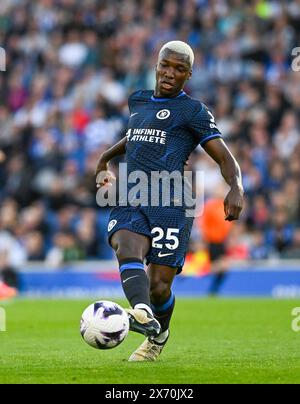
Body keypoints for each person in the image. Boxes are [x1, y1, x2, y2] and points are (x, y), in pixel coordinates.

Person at [95, 41, 244, 361]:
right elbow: (136, 135)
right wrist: (106, 157)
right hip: (133, 193)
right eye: (166, 65)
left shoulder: (194, 111)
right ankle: (141, 312)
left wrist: (236, 187)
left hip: (172, 200)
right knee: (124, 243)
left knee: (160, 285)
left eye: (179, 69)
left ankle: (157, 335)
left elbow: (224, 156)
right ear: (156, 64)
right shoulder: (137, 100)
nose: (169, 73)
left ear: (188, 75)